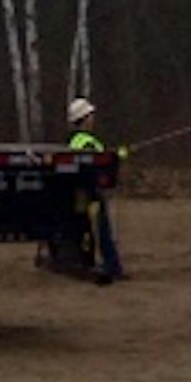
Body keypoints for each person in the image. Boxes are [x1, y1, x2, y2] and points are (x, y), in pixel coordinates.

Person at [67, 95, 125, 283]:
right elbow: (101, 164)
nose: (93, 119)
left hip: (82, 192)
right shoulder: (87, 142)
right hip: (93, 192)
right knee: (101, 230)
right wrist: (118, 156)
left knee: (91, 229)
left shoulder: (74, 141)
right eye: (90, 115)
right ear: (83, 119)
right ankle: (110, 265)